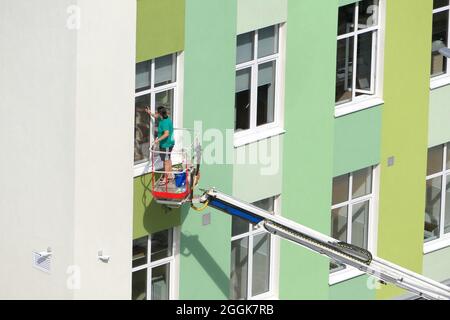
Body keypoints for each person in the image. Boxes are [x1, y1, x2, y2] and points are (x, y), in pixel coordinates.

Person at [145, 106, 175, 183]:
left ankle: (166, 178)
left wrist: (157, 140)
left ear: (160, 114)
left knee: (166, 161)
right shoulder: (165, 118)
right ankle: (170, 175)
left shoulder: (164, 123)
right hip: (168, 144)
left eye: (156, 112)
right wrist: (149, 112)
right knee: (168, 159)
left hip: (166, 145)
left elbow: (166, 134)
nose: (155, 113)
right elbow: (155, 116)